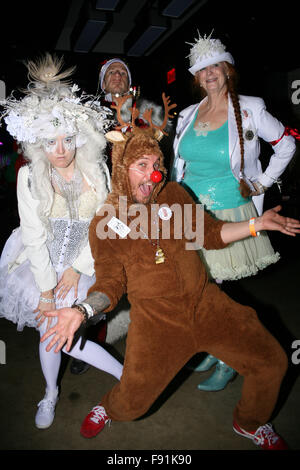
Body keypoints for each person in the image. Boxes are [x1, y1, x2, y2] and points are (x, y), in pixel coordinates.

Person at [41, 95, 300, 450]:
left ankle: (249, 422)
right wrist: (82, 310)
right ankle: (109, 406)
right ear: (121, 168)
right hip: (157, 322)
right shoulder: (106, 221)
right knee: (132, 406)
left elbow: (211, 234)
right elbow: (110, 284)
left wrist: (257, 224)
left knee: (272, 362)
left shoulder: (174, 194)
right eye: (142, 165)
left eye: (157, 163)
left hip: (207, 305)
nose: (153, 174)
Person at [0, 54, 123, 430]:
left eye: (67, 139)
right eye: (50, 141)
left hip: (86, 262)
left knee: (60, 333)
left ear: (79, 136)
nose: (60, 150)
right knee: (54, 330)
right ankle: (56, 391)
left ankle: (122, 378)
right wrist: (46, 289)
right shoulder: (30, 178)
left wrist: (76, 269)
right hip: (40, 265)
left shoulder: (97, 170)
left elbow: (107, 221)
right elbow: (34, 236)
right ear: (38, 143)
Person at [171, 32, 296, 391]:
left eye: (215, 66)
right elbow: (179, 164)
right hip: (190, 212)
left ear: (227, 70)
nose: (209, 73)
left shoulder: (250, 108)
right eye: (202, 69)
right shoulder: (189, 114)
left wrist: (262, 183)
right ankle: (215, 348)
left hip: (227, 211)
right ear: (196, 77)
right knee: (199, 288)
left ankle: (229, 358)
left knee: (215, 291)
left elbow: (286, 145)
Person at [70, 57, 172, 375]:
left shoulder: (149, 111)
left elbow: (162, 157)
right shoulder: (88, 114)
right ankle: (86, 340)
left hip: (142, 205)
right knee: (103, 273)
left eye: (122, 72)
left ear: (129, 80)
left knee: (147, 269)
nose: (116, 76)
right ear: (102, 82)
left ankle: (155, 336)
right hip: (103, 207)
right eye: (111, 73)